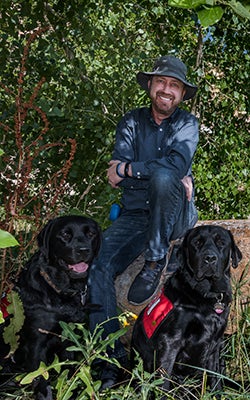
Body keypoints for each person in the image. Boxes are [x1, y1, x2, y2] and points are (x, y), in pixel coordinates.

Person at [88, 55, 199, 389]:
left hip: (175, 216)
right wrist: (149, 171)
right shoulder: (131, 122)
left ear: (181, 94)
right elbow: (114, 176)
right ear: (150, 85)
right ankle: (110, 363)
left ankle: (155, 259)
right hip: (136, 215)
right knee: (97, 266)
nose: (167, 90)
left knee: (166, 179)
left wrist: (131, 169)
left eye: (175, 86)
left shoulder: (187, 124)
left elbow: (173, 167)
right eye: (161, 82)